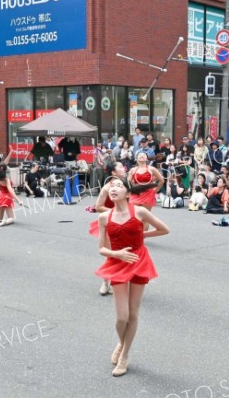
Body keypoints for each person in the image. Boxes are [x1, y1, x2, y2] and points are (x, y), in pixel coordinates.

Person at [94, 176, 169, 377]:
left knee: (133, 313)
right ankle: (121, 341)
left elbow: (164, 229)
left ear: (128, 194)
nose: (114, 188)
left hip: (138, 260)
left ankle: (125, 355)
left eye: (119, 186)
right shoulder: (104, 217)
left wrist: (142, 236)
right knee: (121, 317)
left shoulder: (140, 211)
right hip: (117, 262)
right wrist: (116, 254)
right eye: (111, 186)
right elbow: (101, 248)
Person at [89, 162, 128, 296]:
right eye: (120, 167)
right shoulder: (107, 188)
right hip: (109, 224)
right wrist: (115, 211)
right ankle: (105, 282)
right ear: (113, 173)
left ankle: (118, 281)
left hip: (124, 223)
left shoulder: (126, 186)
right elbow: (98, 206)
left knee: (125, 253)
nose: (123, 168)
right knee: (111, 254)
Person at [128, 153, 164, 217]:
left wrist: (154, 191)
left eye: (144, 155)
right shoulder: (133, 170)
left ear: (146, 159)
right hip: (136, 193)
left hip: (148, 194)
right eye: (140, 155)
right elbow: (128, 183)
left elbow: (161, 180)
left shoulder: (152, 169)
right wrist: (129, 192)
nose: (142, 156)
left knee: (145, 216)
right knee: (133, 214)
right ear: (136, 158)